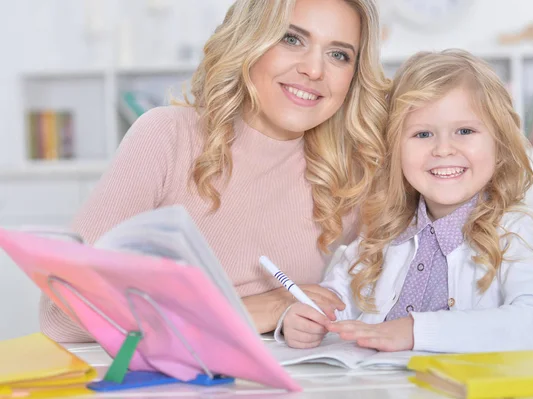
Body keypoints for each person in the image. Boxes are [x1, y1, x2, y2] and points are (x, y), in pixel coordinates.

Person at [39, 0, 388, 343]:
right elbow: (63, 311)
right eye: (291, 39)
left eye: (339, 54)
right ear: (249, 41)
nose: (314, 70)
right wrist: (251, 310)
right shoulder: (167, 137)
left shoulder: (350, 176)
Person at [279, 49, 533, 353]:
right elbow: (334, 300)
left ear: (500, 142)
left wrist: (415, 330)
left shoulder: (515, 230)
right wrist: (302, 318)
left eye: (464, 131)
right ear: (394, 149)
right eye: (423, 134)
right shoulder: (381, 230)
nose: (443, 149)